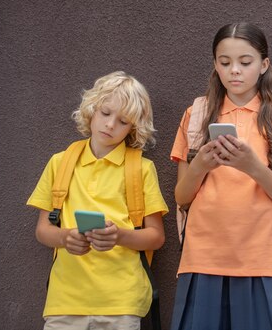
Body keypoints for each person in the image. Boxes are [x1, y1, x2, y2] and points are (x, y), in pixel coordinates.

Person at [169, 22, 272, 330]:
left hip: (262, 259)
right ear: (215, 66)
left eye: (245, 62)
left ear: (264, 65)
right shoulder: (195, 115)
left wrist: (253, 167)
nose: (235, 70)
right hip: (203, 258)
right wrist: (201, 165)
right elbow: (181, 197)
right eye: (225, 62)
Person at [27, 71, 168, 330]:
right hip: (65, 300)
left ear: (133, 128)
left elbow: (156, 237)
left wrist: (119, 236)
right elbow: (43, 230)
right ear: (91, 110)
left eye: (123, 121)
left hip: (121, 302)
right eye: (105, 113)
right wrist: (65, 238)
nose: (111, 125)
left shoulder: (141, 169)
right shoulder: (60, 163)